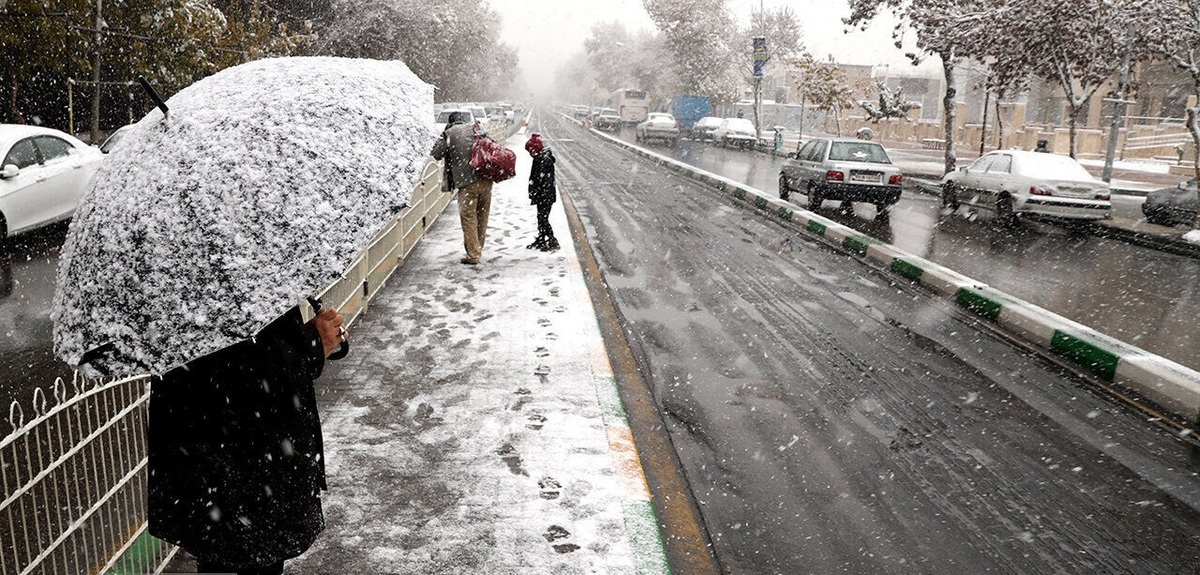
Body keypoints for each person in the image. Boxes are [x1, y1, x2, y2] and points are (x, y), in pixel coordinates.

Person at [147, 305, 347, 575]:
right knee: (247, 553)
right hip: (247, 457)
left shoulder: (182, 293)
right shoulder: (222, 287)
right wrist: (310, 345)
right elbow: (243, 366)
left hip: (214, 455)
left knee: (224, 552)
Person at [432, 110, 493, 265]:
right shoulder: (476, 128)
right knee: (482, 216)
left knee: (468, 218)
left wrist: (444, 134)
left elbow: (436, 153)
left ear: (450, 122)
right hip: (486, 179)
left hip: (467, 183)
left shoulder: (450, 133)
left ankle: (473, 254)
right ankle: (478, 248)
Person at [524, 133, 559, 251]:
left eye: (530, 151)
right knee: (541, 218)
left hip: (544, 195)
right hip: (545, 194)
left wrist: (537, 192)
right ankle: (541, 239)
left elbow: (540, 179)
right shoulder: (542, 157)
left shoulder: (542, 160)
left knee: (543, 218)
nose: (530, 154)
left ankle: (552, 240)